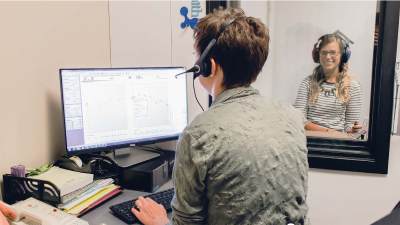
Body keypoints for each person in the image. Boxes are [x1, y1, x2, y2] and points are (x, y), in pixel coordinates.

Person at [132, 8, 309, 225]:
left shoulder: (198, 134)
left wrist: (159, 221)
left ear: (209, 66)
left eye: (198, 57)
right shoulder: (292, 116)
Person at [294, 33, 362, 133]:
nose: (328, 57)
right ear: (318, 55)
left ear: (342, 56)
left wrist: (353, 130)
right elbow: (298, 120)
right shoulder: (307, 83)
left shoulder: (353, 86)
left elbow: (349, 126)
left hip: (338, 144)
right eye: (324, 53)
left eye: (333, 52)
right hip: (309, 142)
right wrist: (329, 132)